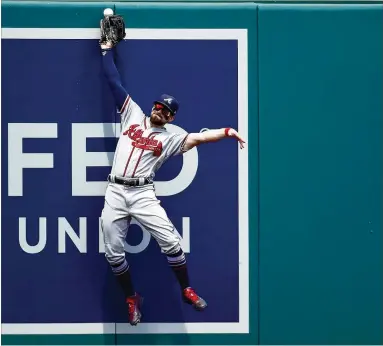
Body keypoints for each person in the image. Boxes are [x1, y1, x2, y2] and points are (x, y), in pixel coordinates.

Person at [99, 37, 245, 326]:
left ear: (171, 117)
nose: (159, 111)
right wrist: (106, 50)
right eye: (158, 106)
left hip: (142, 192)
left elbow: (201, 137)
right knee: (113, 252)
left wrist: (228, 131)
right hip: (115, 190)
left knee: (171, 242)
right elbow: (113, 81)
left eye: (166, 111)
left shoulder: (171, 138)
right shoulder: (132, 115)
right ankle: (131, 298)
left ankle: (186, 289)